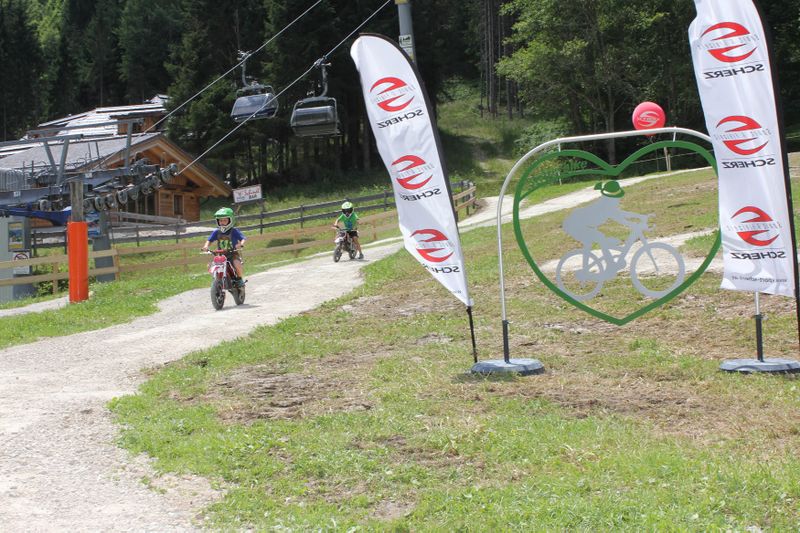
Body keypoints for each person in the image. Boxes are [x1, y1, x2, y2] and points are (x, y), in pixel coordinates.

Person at [561, 180, 647, 270]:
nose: (618, 199)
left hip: (584, 225)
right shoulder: (605, 206)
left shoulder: (607, 205)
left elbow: (620, 213)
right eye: (617, 197)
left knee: (600, 239)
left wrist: (639, 216)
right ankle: (607, 266)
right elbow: (619, 218)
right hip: (574, 224)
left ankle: (606, 265)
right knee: (600, 238)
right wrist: (632, 224)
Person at [202, 207, 247, 286]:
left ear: (230, 220)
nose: (222, 222)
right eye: (220, 220)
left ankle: (239, 279)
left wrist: (240, 244)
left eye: (225, 220)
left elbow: (243, 238)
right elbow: (209, 240)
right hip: (220, 254)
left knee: (237, 264)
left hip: (232, 253)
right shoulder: (216, 231)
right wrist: (206, 246)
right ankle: (217, 280)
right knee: (209, 265)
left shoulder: (234, 231)